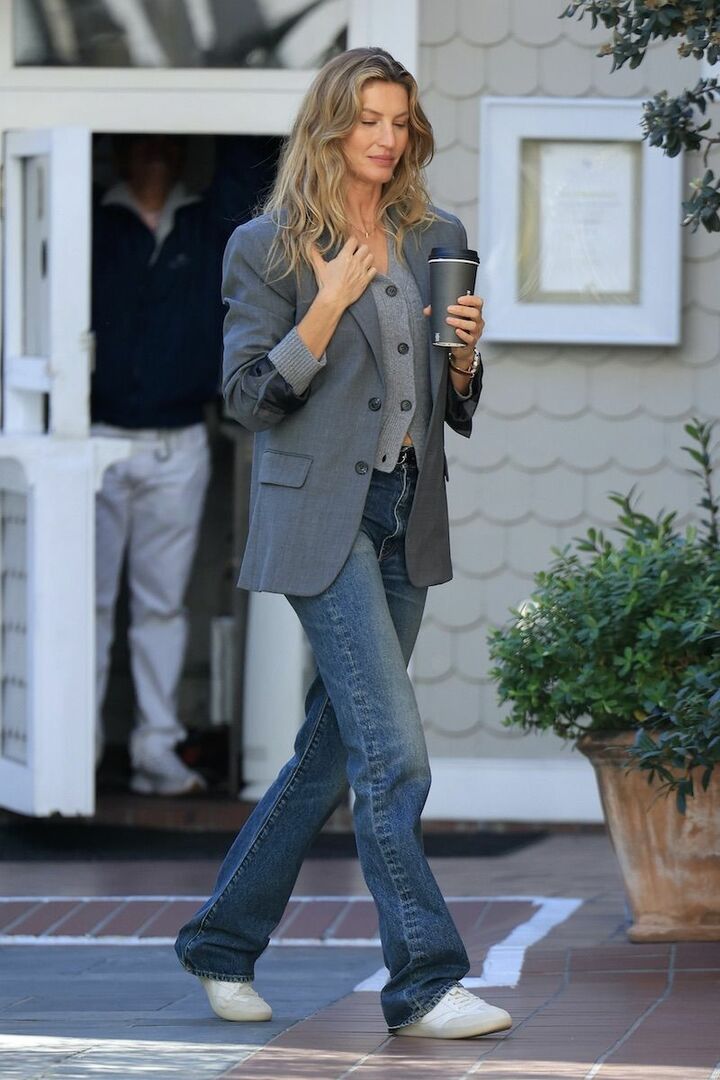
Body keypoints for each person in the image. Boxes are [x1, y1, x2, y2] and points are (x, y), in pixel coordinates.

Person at [174, 47, 512, 1039]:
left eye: (399, 121)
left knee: (331, 753)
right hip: (321, 518)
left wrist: (466, 360)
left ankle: (220, 942)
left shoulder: (436, 235)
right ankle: (425, 983)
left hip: (405, 509)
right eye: (368, 119)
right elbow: (249, 399)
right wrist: (325, 305)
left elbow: (447, 403)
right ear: (330, 125)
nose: (386, 138)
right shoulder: (268, 246)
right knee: (393, 754)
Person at [92, 134, 224, 796]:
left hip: (178, 440)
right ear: (118, 152)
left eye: (163, 140)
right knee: (81, 604)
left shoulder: (205, 223)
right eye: (138, 141)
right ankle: (73, 750)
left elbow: (257, 163)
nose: (152, 152)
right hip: (91, 436)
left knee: (162, 608)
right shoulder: (91, 219)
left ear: (180, 149)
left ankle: (156, 750)